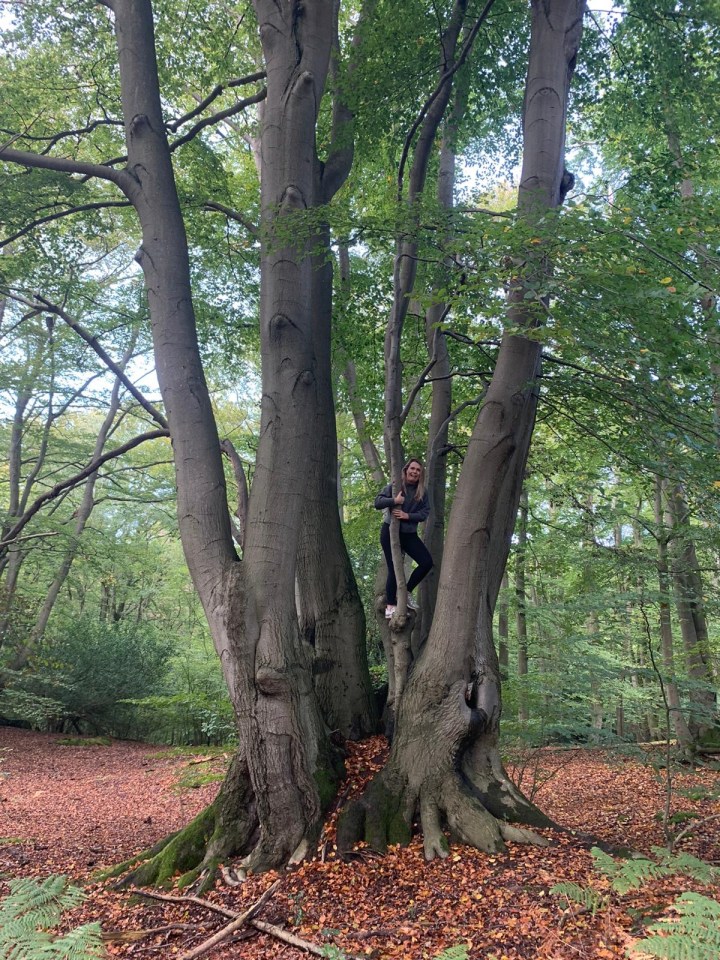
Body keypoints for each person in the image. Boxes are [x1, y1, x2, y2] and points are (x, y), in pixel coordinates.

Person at [374, 458, 433, 619]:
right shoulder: (395, 487)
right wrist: (395, 501)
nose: (414, 472)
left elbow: (425, 513)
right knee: (394, 568)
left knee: (427, 562)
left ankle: (406, 592)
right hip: (390, 532)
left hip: (409, 534)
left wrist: (408, 515)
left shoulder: (423, 492)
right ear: (406, 470)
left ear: (421, 474)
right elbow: (377, 502)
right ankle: (391, 606)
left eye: (418, 470)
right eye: (412, 468)